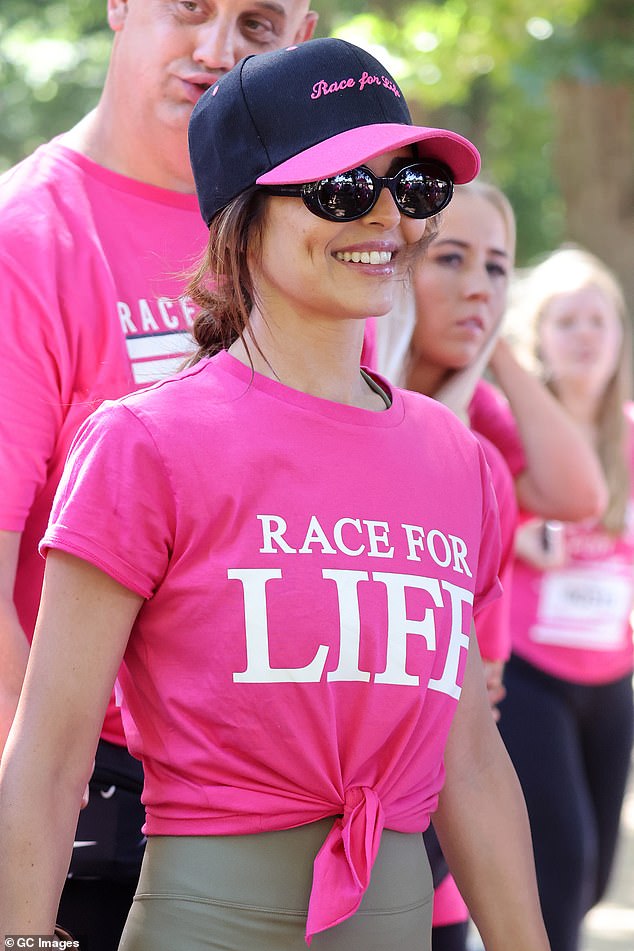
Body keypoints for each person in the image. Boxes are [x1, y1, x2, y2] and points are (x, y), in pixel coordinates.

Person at [0, 38, 550, 951]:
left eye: (409, 187)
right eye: (341, 188)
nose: (386, 221)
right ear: (241, 217)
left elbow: (471, 761)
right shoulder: (145, 442)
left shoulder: (456, 460)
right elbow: (50, 750)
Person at [0, 1, 318, 946]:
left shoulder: (303, 233)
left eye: (257, 24)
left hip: (287, 807)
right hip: (103, 811)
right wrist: (34, 853)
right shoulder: (31, 235)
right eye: (190, 7)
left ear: (299, 35)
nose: (218, 49)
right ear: (120, 6)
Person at [375, 182, 607, 951]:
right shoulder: (357, 401)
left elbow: (581, 492)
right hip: (372, 760)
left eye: (499, 267)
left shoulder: (484, 424)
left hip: (465, 756)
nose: (479, 283)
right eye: (451, 258)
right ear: (394, 264)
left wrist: (493, 339)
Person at [497, 246, 634, 951]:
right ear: (538, 337)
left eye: (599, 319)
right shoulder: (517, 428)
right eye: (567, 320)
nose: (585, 334)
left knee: (601, 874)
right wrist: (515, 530)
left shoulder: (631, 437)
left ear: (619, 334)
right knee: (563, 858)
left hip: (612, 679)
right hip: (530, 675)